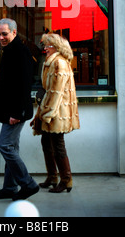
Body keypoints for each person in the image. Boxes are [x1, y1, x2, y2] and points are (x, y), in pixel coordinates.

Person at [0, 18, 39, 201]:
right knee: (12, 147)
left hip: (16, 111)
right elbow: (4, 85)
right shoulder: (10, 50)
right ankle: (10, 187)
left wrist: (17, 114)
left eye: (4, 33)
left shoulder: (20, 52)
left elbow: (24, 86)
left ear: (14, 32)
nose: (1, 37)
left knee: (5, 146)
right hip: (8, 110)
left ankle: (28, 183)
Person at [31, 33, 80, 193]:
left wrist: (46, 113)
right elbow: (49, 91)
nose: (45, 48)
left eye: (47, 45)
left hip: (57, 112)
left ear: (56, 47)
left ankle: (66, 179)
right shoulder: (52, 62)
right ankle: (52, 176)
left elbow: (55, 92)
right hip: (51, 109)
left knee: (58, 145)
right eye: (44, 45)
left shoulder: (58, 63)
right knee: (46, 142)